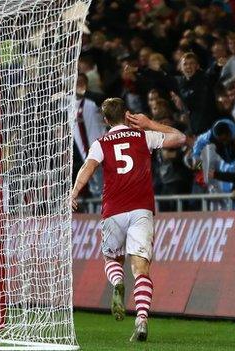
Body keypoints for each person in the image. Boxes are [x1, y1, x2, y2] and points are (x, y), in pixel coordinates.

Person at [70, 97, 185, 342]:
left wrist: (74, 191)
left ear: (105, 120)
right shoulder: (143, 136)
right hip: (142, 209)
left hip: (113, 210)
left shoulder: (101, 143)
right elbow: (180, 138)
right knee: (141, 268)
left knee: (112, 257)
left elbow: (87, 168)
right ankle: (141, 319)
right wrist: (150, 123)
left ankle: (118, 282)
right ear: (127, 115)